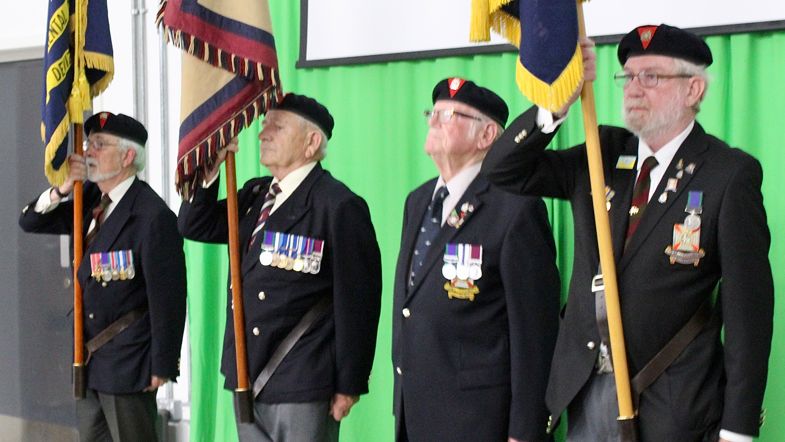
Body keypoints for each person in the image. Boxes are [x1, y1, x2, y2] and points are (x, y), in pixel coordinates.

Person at [481, 24, 774, 441]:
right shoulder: (602, 152)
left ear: (694, 90)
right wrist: (554, 109)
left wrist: (738, 428)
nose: (633, 88)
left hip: (674, 405)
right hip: (585, 395)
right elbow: (502, 171)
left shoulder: (727, 174)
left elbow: (749, 311)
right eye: (628, 76)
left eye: (651, 77)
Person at [178, 93, 382, 441]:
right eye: (264, 124)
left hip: (304, 375)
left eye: (277, 126)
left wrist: (349, 384)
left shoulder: (337, 205)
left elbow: (358, 303)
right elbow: (194, 225)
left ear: (311, 142)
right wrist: (209, 174)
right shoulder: (256, 196)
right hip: (246, 370)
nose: (263, 133)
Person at [392, 77, 561, 442]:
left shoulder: (516, 207)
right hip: (416, 411)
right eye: (432, 113)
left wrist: (526, 427)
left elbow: (535, 331)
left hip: (479, 418)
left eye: (449, 114)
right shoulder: (418, 200)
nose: (434, 121)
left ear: (487, 136)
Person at [19, 112, 187, 441]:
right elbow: (31, 222)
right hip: (89, 359)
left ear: (128, 156)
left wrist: (163, 365)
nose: (87, 153)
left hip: (129, 360)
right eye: (88, 144)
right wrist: (62, 189)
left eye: (99, 145)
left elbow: (168, 298)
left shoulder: (151, 216)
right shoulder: (90, 203)